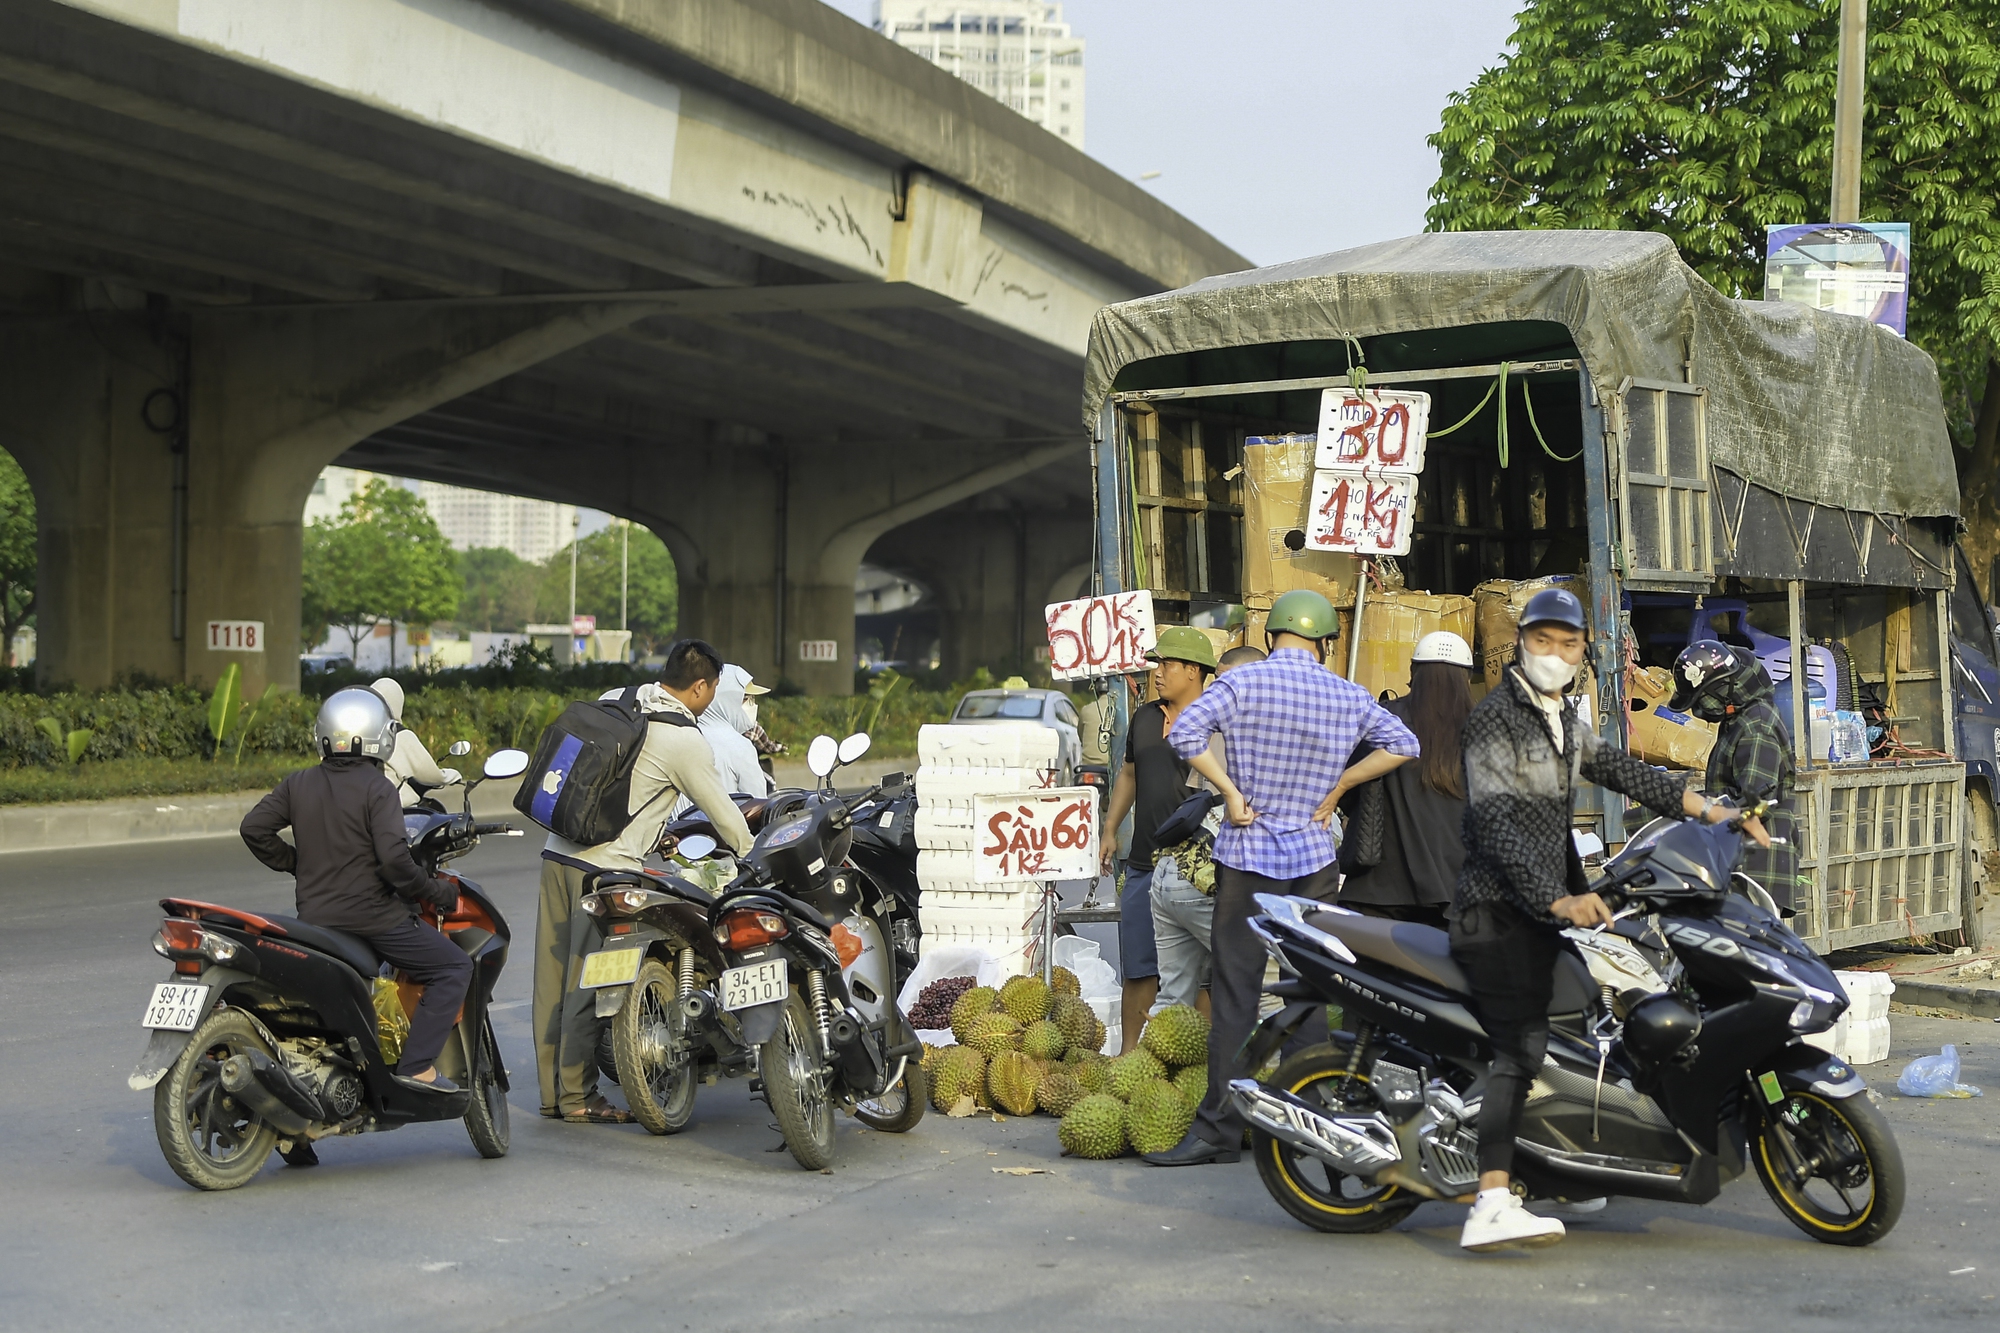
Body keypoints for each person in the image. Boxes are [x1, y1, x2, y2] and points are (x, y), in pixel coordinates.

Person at [1451, 588, 1764, 1252]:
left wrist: (1709, 810)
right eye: (1544, 641)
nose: (1557, 654)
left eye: (1570, 644)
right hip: (1497, 910)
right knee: (1522, 1047)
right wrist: (1557, 898)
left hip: (1541, 911)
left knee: (1590, 1023)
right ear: (1522, 646)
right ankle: (1491, 1198)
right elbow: (1495, 819)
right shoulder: (1496, 718)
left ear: (1582, 653)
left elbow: (1621, 768)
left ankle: (1557, 1165)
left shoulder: (1557, 717)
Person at [1146, 589, 1421, 1167]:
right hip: (1315, 862)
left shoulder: (1241, 683)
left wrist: (1228, 791)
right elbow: (1404, 743)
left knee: (1235, 996)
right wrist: (1340, 786)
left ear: (1271, 637)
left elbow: (1184, 735)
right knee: (1310, 994)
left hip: (1247, 856)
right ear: (1324, 643)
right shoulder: (1347, 694)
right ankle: (1314, 1128)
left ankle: (1217, 1130)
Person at [536, 639, 754, 1124]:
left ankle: (553, 1095)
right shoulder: (684, 738)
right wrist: (753, 857)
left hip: (557, 851)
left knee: (551, 984)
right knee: (585, 985)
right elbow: (725, 816)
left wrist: (656, 839)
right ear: (699, 686)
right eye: (713, 689)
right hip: (605, 870)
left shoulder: (624, 697)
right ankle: (578, 1098)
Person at [240, 688, 470, 1101]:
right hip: (375, 920)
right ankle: (417, 1067)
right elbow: (396, 864)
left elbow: (253, 829)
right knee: (453, 967)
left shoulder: (299, 783)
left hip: (313, 922)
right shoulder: (377, 787)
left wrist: (297, 862)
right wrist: (436, 891)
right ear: (380, 735)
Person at [1099, 626, 1217, 1052]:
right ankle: (1130, 1058)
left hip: (1196, 869)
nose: (1157, 673)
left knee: (1201, 974)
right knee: (1139, 968)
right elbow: (1129, 773)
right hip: (1145, 862)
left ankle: (1199, 1061)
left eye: (1166, 664)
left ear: (1192, 670)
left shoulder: (1216, 721)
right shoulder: (1145, 717)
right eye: (1156, 664)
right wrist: (1110, 829)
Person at [1146, 644, 1263, 1017]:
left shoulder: (1214, 726)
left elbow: (1201, 797)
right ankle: (1269, 1075)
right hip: (1204, 879)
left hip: (1170, 872)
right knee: (1265, 988)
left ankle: (1147, 1075)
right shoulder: (1259, 726)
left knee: (1171, 1000)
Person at [1335, 631, 1477, 928]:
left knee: (1369, 975)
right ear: (1467, 678)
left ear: (1413, 672)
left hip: (1379, 890)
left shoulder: (1384, 720)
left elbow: (1349, 793)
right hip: (1460, 895)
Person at [1669, 639, 1798, 911]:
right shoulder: (1739, 721)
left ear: (1725, 690)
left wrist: (1694, 807)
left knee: (1750, 950)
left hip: (1754, 864)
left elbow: (1754, 802)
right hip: (1736, 858)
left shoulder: (1756, 725)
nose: (1702, 709)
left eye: (1703, 698)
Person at [372, 677, 457, 809]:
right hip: (394, 809)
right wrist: (451, 775)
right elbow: (430, 775)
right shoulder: (399, 735)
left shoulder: (359, 735)